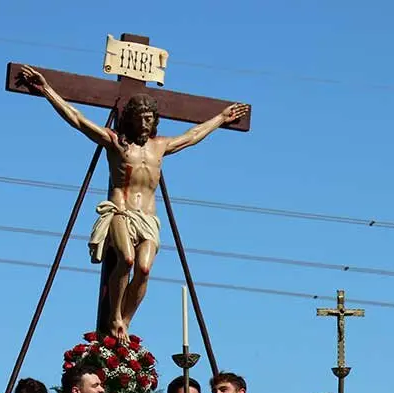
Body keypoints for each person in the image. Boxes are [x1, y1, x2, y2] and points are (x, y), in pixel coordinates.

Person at [14, 64, 248, 343]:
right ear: (131, 118)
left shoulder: (159, 146)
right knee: (126, 259)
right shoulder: (116, 143)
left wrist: (220, 118)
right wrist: (47, 89)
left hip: (148, 218)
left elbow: (192, 136)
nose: (146, 122)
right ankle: (114, 317)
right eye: (141, 117)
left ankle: (125, 320)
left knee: (145, 269)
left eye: (150, 117)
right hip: (122, 212)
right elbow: (78, 119)